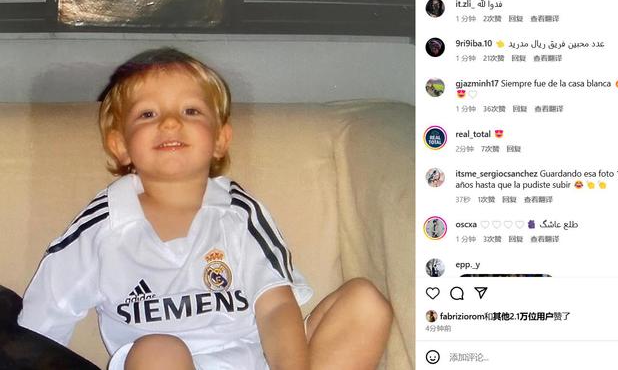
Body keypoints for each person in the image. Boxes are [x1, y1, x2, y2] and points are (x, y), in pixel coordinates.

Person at [17, 48, 393, 370]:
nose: (170, 122)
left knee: (365, 303)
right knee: (160, 349)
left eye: (191, 111)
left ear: (219, 140)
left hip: (252, 361)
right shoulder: (102, 225)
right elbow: (40, 324)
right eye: (147, 114)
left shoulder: (239, 213)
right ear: (121, 146)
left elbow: (276, 308)